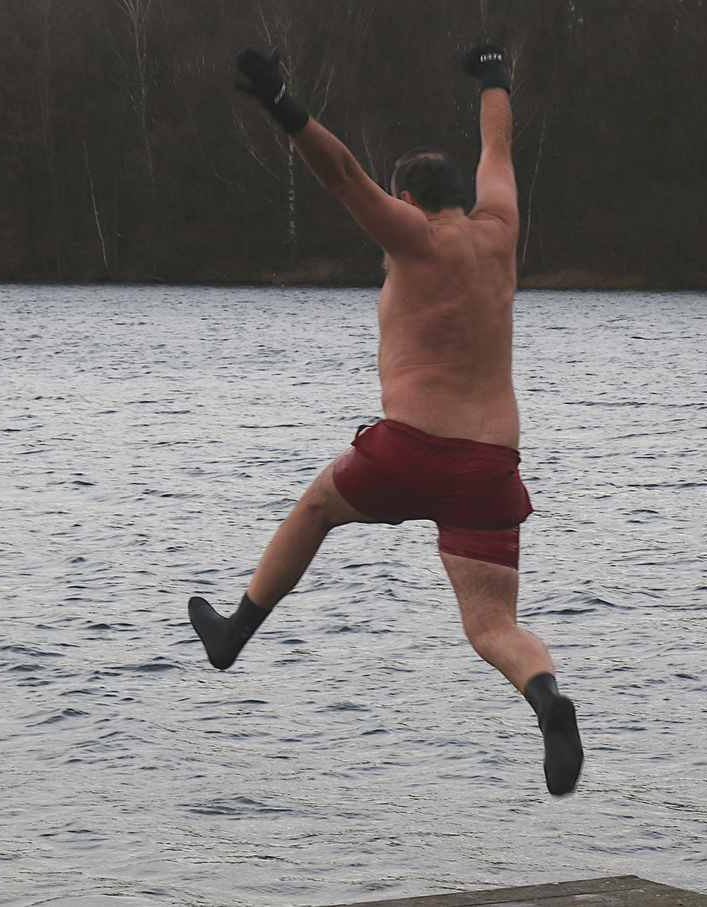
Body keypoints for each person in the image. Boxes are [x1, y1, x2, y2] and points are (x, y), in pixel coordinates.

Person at [189, 43, 583, 796]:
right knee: (493, 626)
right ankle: (548, 698)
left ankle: (232, 634)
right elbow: (498, 147)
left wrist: (282, 105)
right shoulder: (501, 228)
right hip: (490, 466)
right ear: (464, 195)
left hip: (409, 448)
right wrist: (494, 74)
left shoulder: (414, 236)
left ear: (405, 199)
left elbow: (341, 175)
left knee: (316, 508)